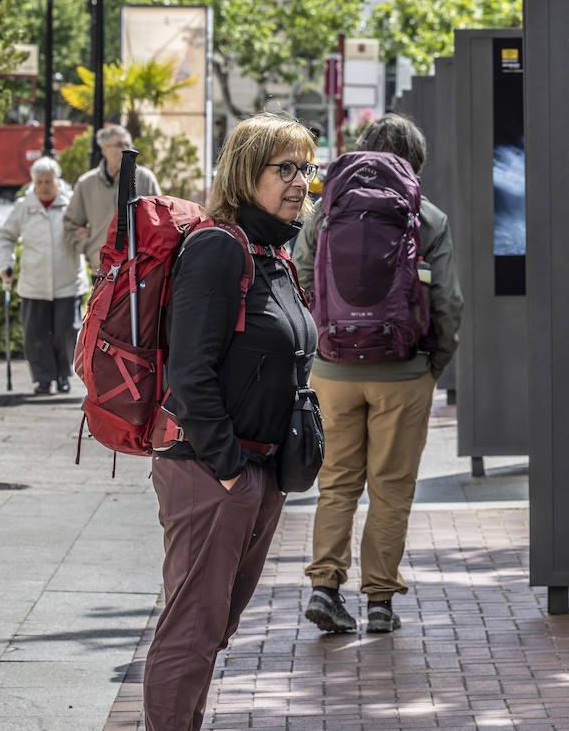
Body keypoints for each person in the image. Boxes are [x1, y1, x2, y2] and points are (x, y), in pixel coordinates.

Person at [142, 114, 318, 730]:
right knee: (191, 630)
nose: (301, 182)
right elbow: (190, 371)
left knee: (213, 628)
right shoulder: (220, 248)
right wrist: (228, 471)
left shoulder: (271, 252)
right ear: (247, 174)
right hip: (210, 470)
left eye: (306, 168)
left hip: (256, 470)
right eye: (286, 169)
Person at [296, 113, 462, 634]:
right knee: (390, 490)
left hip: (333, 369)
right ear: (416, 161)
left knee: (337, 485)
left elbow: (299, 277)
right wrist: (433, 363)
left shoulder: (326, 210)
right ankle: (381, 603)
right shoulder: (426, 216)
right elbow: (448, 302)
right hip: (402, 371)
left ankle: (325, 588)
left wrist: (321, 344)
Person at [0, 158, 89, 394]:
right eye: (39, 181)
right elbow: (5, 237)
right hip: (34, 283)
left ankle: (64, 375)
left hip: (68, 281)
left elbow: (90, 231)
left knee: (67, 332)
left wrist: (84, 235)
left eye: (48, 181)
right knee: (36, 334)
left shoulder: (72, 205)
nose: (44, 186)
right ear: (33, 183)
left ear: (57, 181)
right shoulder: (23, 207)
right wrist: (5, 264)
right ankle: (43, 378)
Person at [64, 124, 160, 275]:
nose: (125, 149)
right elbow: (69, 225)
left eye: (128, 144)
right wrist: (90, 248)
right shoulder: (86, 183)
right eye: (119, 145)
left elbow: (160, 221)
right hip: (102, 270)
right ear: (104, 149)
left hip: (139, 269)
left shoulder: (145, 178)